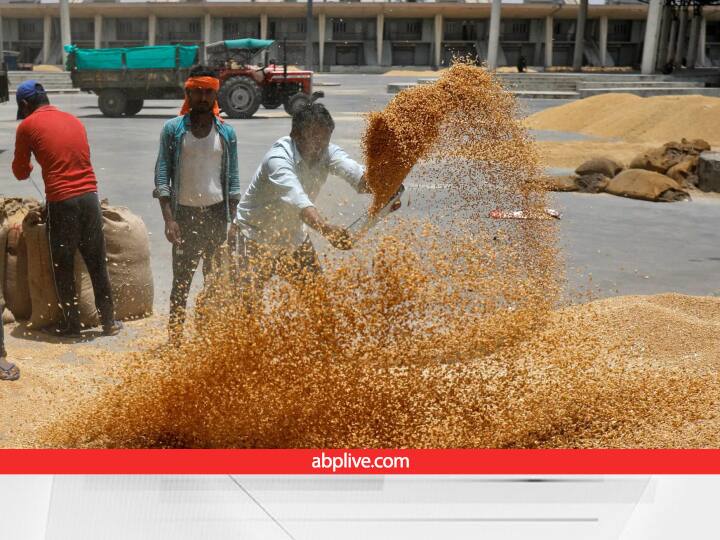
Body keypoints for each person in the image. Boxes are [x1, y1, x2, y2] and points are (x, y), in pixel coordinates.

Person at [232, 101, 399, 296]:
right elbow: (299, 203)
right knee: (246, 309)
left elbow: (358, 178)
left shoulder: (328, 153)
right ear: (296, 135)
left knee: (318, 299)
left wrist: (386, 186)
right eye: (313, 139)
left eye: (325, 140)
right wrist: (327, 230)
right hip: (254, 237)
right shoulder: (278, 159)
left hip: (292, 237)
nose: (319, 147)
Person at [12, 80, 122, 338]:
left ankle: (71, 326)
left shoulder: (27, 126)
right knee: (96, 262)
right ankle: (109, 321)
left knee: (63, 264)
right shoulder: (74, 120)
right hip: (90, 197)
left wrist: (29, 167)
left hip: (62, 202)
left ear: (25, 104)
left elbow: (19, 171)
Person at [153, 66, 241, 343]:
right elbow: (162, 175)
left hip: (216, 215)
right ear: (188, 93)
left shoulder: (227, 133)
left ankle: (208, 339)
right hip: (185, 217)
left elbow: (234, 181)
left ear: (216, 93)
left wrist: (233, 222)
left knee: (214, 283)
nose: (203, 97)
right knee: (181, 283)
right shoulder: (173, 130)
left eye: (208, 92)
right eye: (197, 92)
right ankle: (175, 339)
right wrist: (169, 220)